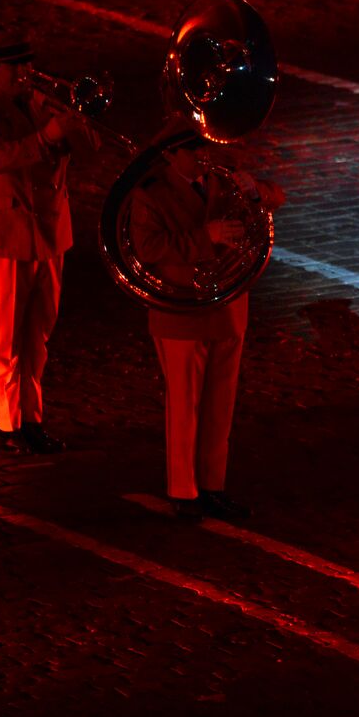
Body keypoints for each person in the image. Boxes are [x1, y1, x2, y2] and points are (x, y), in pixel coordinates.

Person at [130, 125, 284, 520]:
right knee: (185, 407)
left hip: (228, 309)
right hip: (181, 313)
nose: (202, 155)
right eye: (191, 150)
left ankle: (213, 486)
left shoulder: (221, 179)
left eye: (203, 147)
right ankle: (183, 491)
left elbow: (277, 197)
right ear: (170, 155)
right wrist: (207, 236)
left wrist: (256, 192)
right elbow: (147, 248)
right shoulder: (150, 193)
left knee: (219, 407)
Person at [0, 39, 97, 453]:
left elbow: (92, 151)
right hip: (3, 238)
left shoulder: (43, 104)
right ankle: (8, 425)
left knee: (37, 337)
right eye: (13, 67)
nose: (23, 74)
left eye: (26, 65)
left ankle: (31, 418)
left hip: (49, 235)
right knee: (4, 338)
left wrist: (78, 121)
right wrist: (47, 136)